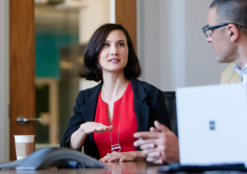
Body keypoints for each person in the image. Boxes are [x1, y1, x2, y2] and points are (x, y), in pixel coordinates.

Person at [134, 0, 247, 164]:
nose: (208, 39)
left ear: (231, 32)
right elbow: (226, 143)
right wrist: (167, 149)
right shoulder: (228, 75)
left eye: (209, 30)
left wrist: (186, 154)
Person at [60, 23, 171, 162]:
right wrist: (82, 130)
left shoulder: (150, 94)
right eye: (106, 45)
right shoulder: (84, 98)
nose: (114, 51)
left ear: (128, 52)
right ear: (95, 53)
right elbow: (66, 150)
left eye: (120, 44)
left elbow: (167, 149)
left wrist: (134, 155)